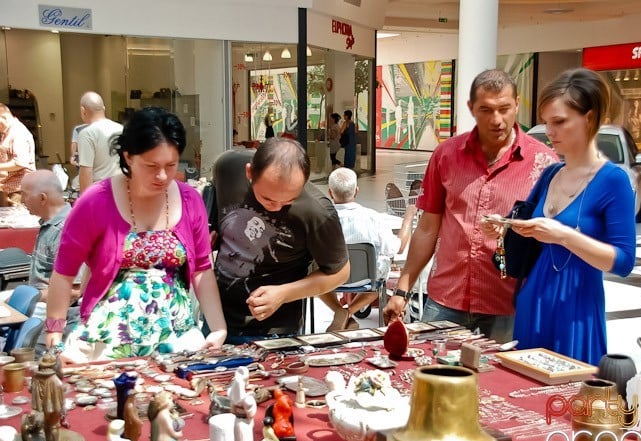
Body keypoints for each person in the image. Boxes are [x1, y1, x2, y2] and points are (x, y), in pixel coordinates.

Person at [383, 69, 558, 341]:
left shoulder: (544, 163)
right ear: (471, 109)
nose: (497, 120)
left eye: (504, 108)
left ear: (517, 104)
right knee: (433, 377)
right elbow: (428, 228)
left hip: (508, 303)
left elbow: (552, 240)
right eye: (486, 110)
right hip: (447, 298)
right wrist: (402, 289)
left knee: (503, 382)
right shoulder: (446, 155)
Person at [43, 107, 227, 361]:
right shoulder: (96, 201)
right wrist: (54, 336)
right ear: (128, 157)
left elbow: (202, 270)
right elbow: (64, 273)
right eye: (151, 166)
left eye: (171, 165)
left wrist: (218, 328)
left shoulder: (190, 200)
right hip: (107, 342)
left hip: (176, 339)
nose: (162, 176)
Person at [494, 68, 636, 365]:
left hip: (577, 305)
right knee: (523, 395)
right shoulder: (551, 174)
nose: (549, 132)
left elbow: (623, 261)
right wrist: (505, 228)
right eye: (546, 122)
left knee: (569, 399)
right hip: (534, 298)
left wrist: (563, 235)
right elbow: (529, 232)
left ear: (589, 117)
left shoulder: (613, 180)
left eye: (559, 122)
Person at [212, 137, 349, 339]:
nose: (276, 207)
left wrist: (284, 294)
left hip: (274, 330)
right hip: (215, 316)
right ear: (249, 173)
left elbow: (341, 272)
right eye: (267, 198)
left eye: (289, 200)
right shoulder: (227, 168)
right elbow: (216, 205)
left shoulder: (318, 211)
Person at [319, 167, 415, 331]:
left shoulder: (318, 219)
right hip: (367, 280)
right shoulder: (373, 218)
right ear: (356, 191)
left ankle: (339, 312)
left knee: (314, 275)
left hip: (329, 280)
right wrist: (408, 218)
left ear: (330, 192)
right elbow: (396, 248)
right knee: (379, 280)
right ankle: (349, 312)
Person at [18, 170, 82, 355]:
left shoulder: (66, 231)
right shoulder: (51, 225)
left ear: (42, 198)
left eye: (24, 194)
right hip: (42, 314)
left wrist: (27, 296)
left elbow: (74, 291)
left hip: (58, 319)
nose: (21, 200)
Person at [76, 91, 123, 194]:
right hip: (122, 191)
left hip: (100, 194)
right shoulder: (121, 129)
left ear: (83, 110)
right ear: (104, 109)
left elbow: (86, 171)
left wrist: (85, 202)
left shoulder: (87, 134)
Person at [0, 103, 35, 207]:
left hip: (18, 191)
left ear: (3, 117)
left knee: (15, 222)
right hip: (8, 189)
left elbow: (20, 163)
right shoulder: (6, 133)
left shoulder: (18, 133)